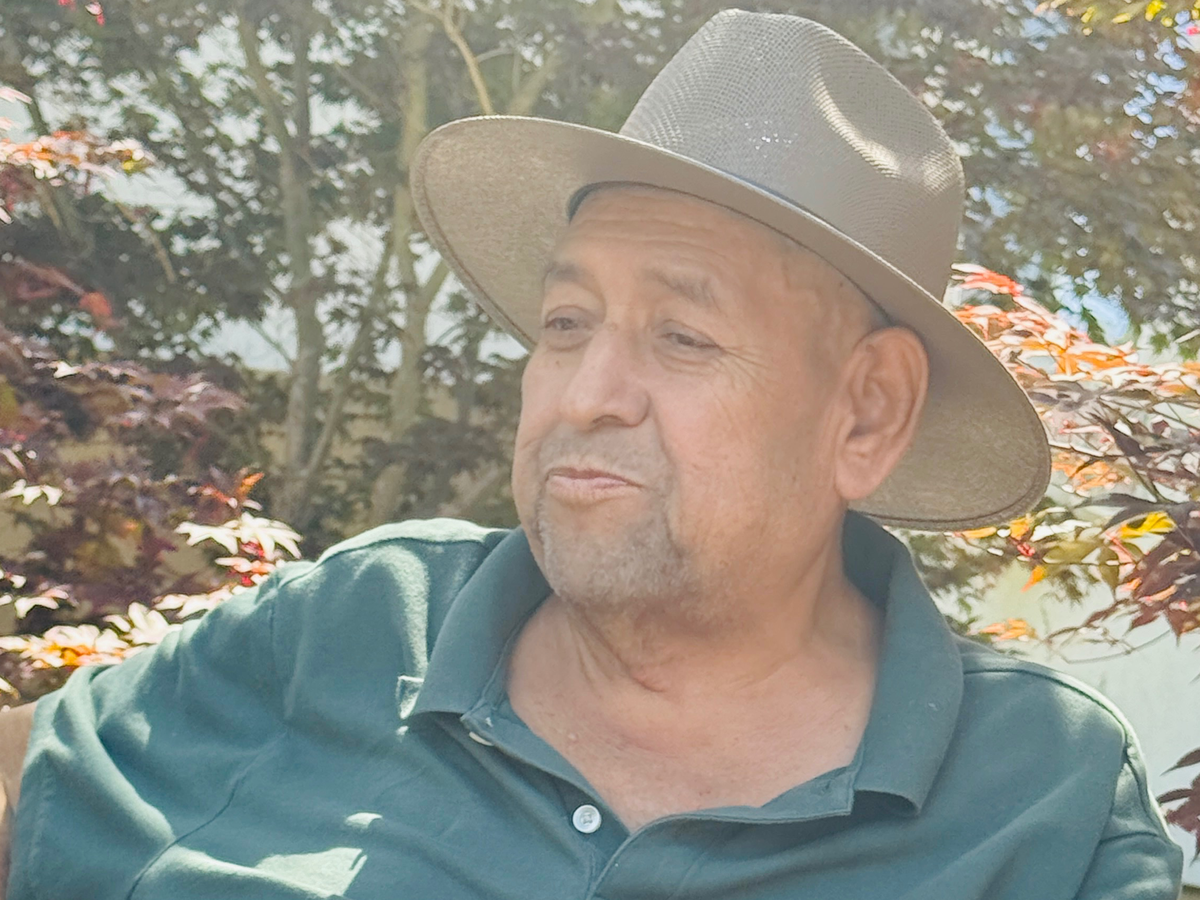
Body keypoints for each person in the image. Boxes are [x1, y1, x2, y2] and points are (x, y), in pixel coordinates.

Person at [0, 9, 1185, 899]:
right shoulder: (356, 623)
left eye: (683, 336)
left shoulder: (1045, 795)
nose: (584, 394)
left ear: (867, 414)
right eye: (566, 323)